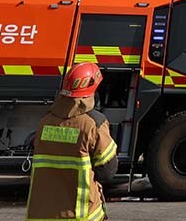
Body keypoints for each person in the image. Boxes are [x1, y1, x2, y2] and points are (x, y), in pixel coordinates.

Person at [26, 62, 118, 221]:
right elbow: (107, 171)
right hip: (80, 215)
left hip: (40, 215)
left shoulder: (45, 122)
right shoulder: (93, 124)